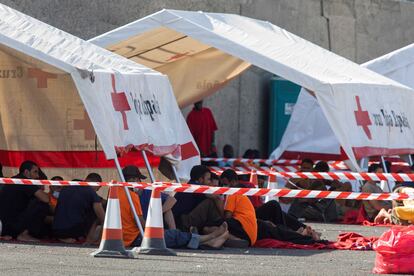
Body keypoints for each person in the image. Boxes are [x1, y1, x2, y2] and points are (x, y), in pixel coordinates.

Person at [119, 168, 229, 249]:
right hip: (139, 234)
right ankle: (209, 237)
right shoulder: (131, 196)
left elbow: (172, 200)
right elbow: (141, 223)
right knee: (173, 235)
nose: (210, 183)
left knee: (172, 231)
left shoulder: (130, 193)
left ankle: (206, 240)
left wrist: (158, 213)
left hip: (143, 229)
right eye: (208, 179)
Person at [0, 161, 49, 241]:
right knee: (41, 205)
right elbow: (46, 199)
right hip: (12, 226)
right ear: (26, 172)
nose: (37, 176)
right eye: (35, 172)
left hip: (4, 226)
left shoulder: (14, 179)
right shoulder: (25, 182)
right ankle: (23, 234)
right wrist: (39, 188)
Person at [52, 173, 105, 243]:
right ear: (97, 184)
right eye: (99, 188)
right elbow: (103, 218)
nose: (97, 190)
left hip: (56, 230)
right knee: (98, 216)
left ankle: (65, 237)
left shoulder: (68, 186)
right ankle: (93, 241)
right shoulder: (90, 191)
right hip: (72, 230)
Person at [173, 165, 223, 232]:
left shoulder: (190, 185)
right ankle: (222, 224)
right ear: (200, 179)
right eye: (208, 179)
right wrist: (225, 217)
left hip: (179, 221)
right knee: (210, 202)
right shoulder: (196, 188)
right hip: (182, 223)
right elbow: (216, 197)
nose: (209, 182)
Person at [219, 169, 257, 246]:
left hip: (244, 229)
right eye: (221, 184)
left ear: (233, 182)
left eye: (225, 184)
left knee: (216, 223)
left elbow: (227, 217)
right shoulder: (241, 193)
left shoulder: (232, 193)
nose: (223, 187)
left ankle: (234, 239)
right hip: (250, 234)